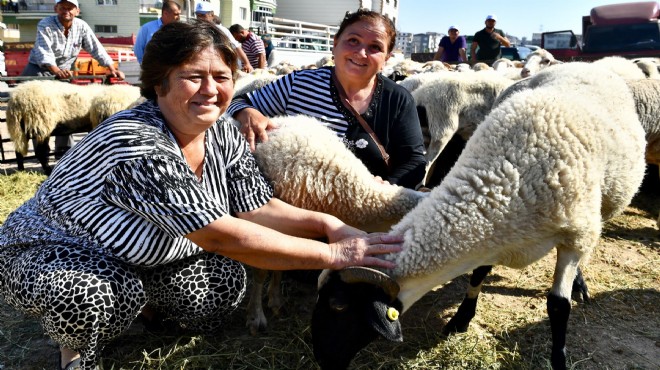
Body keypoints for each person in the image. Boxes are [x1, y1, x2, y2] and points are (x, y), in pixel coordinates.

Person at [0, 20, 403, 370]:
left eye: (223, 77)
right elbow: (217, 235)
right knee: (96, 295)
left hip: (150, 255)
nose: (210, 90)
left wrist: (328, 224)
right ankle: (73, 349)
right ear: (160, 81)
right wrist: (333, 255)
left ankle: (144, 302)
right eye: (194, 75)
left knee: (225, 287)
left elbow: (257, 206)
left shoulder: (223, 131)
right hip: (54, 249)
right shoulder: (136, 142)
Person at [227, 8, 427, 190]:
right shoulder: (298, 84)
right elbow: (236, 103)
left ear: (387, 58)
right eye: (353, 40)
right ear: (335, 44)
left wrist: (385, 189)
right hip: (296, 207)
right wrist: (247, 113)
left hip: (368, 212)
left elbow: (414, 160)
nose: (361, 53)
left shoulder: (397, 99)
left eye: (375, 47)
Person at [22, 0, 125, 154]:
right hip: (39, 72)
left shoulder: (81, 26)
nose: (66, 11)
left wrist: (112, 68)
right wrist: (55, 70)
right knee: (41, 113)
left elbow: (96, 47)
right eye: (62, 7)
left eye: (70, 8)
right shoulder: (46, 24)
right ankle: (42, 154)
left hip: (63, 74)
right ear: (56, 8)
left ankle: (64, 152)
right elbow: (44, 51)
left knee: (67, 111)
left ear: (77, 11)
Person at [194, 1, 253, 73]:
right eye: (198, 15)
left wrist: (247, 63)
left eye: (203, 15)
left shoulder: (221, 30)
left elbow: (236, 47)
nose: (200, 18)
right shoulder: (194, 31)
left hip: (222, 67)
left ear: (212, 15)